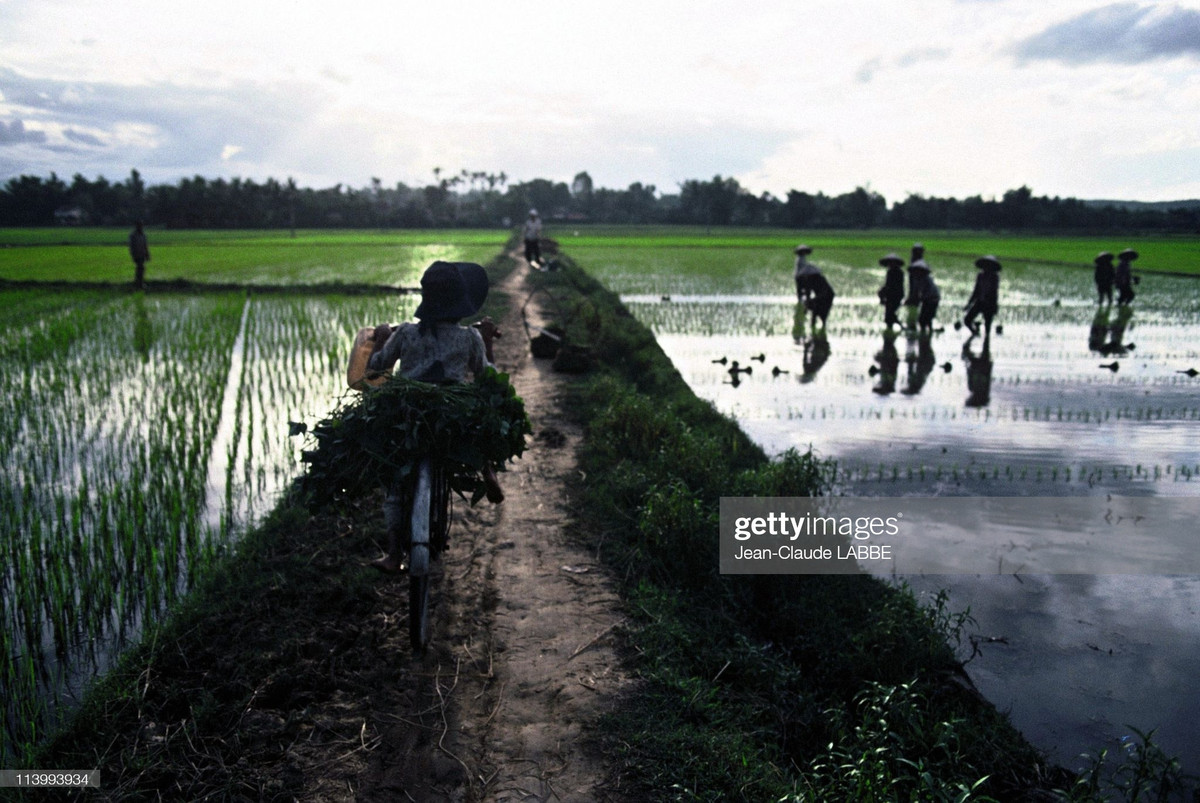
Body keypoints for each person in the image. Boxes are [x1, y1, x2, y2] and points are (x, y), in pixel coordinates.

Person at [366, 261, 504, 572]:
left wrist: (382, 338)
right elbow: (488, 376)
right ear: (459, 304)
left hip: (409, 413)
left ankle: (392, 554)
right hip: (452, 414)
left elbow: (376, 367)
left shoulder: (406, 334)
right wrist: (488, 342)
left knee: (396, 485)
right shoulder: (469, 337)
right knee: (481, 415)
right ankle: (487, 467)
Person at [793, 245, 835, 329]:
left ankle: (816, 325)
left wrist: (808, 302)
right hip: (822, 295)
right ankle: (814, 325)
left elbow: (823, 293)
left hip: (825, 296)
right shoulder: (801, 263)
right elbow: (808, 292)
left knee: (818, 309)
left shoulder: (816, 279)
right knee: (815, 307)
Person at [963, 255, 1001, 340]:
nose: (986, 268)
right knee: (967, 320)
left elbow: (994, 293)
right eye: (985, 265)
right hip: (980, 302)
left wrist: (994, 306)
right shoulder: (980, 276)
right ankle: (975, 333)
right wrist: (969, 304)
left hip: (989, 304)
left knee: (987, 327)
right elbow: (976, 291)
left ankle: (986, 347)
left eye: (988, 266)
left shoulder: (994, 277)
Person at [908, 259, 940, 333]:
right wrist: (911, 299)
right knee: (923, 319)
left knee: (926, 318)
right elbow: (915, 292)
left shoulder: (927, 279)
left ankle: (928, 333)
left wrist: (921, 298)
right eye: (916, 270)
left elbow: (931, 292)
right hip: (926, 299)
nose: (917, 272)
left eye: (919, 270)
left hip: (933, 299)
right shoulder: (916, 279)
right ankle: (927, 333)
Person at [877, 252, 906, 329]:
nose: (890, 264)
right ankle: (899, 327)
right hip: (891, 295)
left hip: (896, 295)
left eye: (892, 263)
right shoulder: (890, 272)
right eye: (890, 263)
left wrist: (883, 292)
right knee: (889, 315)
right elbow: (888, 285)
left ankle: (900, 327)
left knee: (889, 315)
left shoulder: (899, 273)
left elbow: (893, 285)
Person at [129, 221, 150, 289]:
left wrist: (147, 254)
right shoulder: (133, 236)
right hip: (137, 254)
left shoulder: (143, 235)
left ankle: (139, 282)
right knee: (140, 268)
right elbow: (132, 246)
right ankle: (139, 283)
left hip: (142, 254)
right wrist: (133, 254)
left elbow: (145, 245)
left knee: (141, 268)